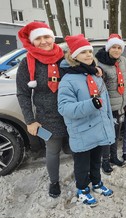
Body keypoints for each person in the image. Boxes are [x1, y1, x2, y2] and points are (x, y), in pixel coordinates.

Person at [58, 34, 114, 206]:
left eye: (90, 51)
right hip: (82, 132)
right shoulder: (68, 80)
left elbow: (106, 104)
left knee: (96, 160)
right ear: (73, 56)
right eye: (83, 52)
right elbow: (64, 108)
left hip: (98, 128)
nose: (89, 55)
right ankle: (82, 189)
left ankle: (96, 183)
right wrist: (91, 104)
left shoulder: (95, 75)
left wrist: (109, 121)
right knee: (82, 165)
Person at [16, 22, 69, 198]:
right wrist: (30, 120)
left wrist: (96, 69)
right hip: (47, 118)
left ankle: (81, 175)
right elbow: (23, 94)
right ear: (32, 41)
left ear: (52, 38)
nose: (44, 41)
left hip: (71, 115)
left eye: (46, 37)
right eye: (38, 38)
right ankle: (54, 182)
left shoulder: (66, 58)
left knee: (74, 149)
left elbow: (85, 68)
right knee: (52, 152)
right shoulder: (27, 62)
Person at [95, 34, 126, 174]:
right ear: (108, 48)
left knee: (115, 134)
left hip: (120, 105)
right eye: (114, 47)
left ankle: (114, 157)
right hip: (106, 107)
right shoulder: (100, 63)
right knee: (107, 135)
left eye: (119, 47)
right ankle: (105, 161)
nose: (117, 50)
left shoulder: (123, 60)